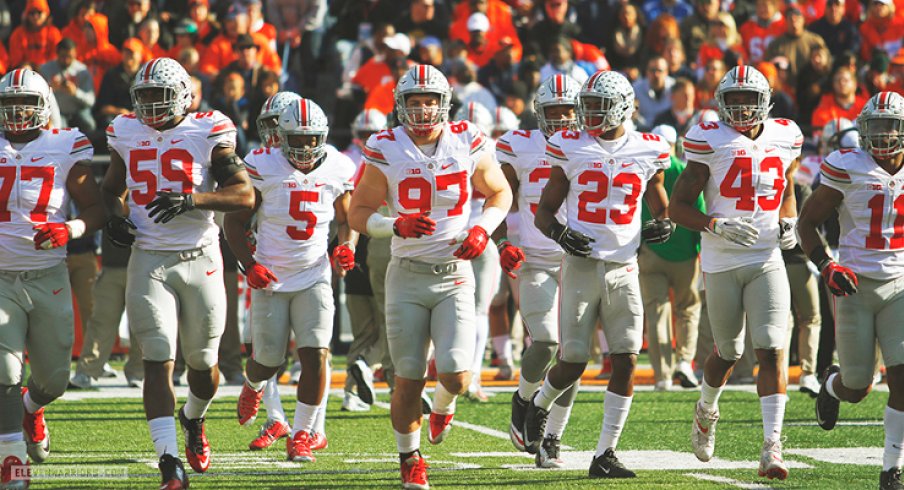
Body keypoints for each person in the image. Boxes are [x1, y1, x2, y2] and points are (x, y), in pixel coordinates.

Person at [348, 64, 512, 489]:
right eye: (414, 102)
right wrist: (393, 225)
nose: (422, 110)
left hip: (455, 270)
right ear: (400, 106)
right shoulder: (386, 146)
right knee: (407, 376)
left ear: (445, 104)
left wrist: (483, 229)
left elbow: (500, 192)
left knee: (457, 374)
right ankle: (410, 457)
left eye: (429, 101)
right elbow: (359, 212)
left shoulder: (467, 139)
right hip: (407, 274)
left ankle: (443, 406)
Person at [101, 57, 254, 489]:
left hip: (200, 257)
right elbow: (111, 189)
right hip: (149, 258)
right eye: (143, 96)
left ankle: (193, 418)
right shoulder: (126, 131)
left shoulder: (208, 129)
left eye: (159, 95)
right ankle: (169, 463)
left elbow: (244, 195)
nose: (150, 105)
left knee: (204, 366)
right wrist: (115, 217)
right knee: (157, 360)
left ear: (184, 95)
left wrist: (193, 200)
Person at [526, 70, 673, 479]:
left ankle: (605, 452)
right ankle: (540, 406)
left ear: (624, 107)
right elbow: (543, 213)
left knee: (625, 358)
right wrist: (560, 234)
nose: (588, 115)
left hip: (624, 267)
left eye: (598, 107)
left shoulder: (649, 149)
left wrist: (663, 223)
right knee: (573, 358)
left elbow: (661, 205)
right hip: (582, 266)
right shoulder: (569, 146)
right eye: (585, 106)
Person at [670, 65, 802, 481]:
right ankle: (707, 408)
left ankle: (772, 445)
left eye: (750, 99)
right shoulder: (708, 139)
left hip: (766, 257)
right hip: (722, 258)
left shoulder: (785, 136)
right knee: (728, 351)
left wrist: (789, 221)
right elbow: (677, 208)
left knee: (771, 347)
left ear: (765, 102)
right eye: (735, 99)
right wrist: (713, 223)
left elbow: (787, 188)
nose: (742, 107)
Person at [228, 97, 357, 463]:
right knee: (267, 360)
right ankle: (253, 385)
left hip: (314, 274)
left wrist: (346, 247)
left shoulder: (337, 166)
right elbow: (234, 223)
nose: (304, 147)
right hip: (270, 276)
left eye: (311, 139)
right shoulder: (261, 164)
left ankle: (301, 433)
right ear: (280, 138)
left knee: (316, 353)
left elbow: (347, 220)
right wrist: (249, 264)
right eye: (296, 139)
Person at [0, 68, 105, 486]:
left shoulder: (66, 145)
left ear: (44, 106)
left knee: (55, 379)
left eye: (26, 103)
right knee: (4, 371)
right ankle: (10, 457)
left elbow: (96, 208)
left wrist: (71, 228)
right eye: (10, 104)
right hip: (1, 277)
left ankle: (33, 406)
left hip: (48, 275)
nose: (18, 112)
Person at [798, 91, 904, 490]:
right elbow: (806, 224)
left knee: (902, 375)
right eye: (876, 127)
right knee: (857, 388)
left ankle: (891, 468)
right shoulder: (847, 166)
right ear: (862, 130)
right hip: (855, 283)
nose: (883, 135)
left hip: (900, 282)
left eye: (891, 126)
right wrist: (827, 265)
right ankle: (831, 384)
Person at [496, 73, 581, 468]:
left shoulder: (592, 146)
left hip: (582, 261)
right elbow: (496, 197)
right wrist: (501, 243)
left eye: (569, 110)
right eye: (554, 111)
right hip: (536, 260)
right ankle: (525, 398)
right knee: (546, 343)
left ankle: (552, 438)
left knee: (574, 354)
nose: (562, 118)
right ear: (539, 113)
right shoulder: (520, 146)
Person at [638, 124, 703, 391]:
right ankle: (685, 361)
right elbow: (699, 208)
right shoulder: (685, 170)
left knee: (656, 311)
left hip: (652, 251)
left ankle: (662, 375)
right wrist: (701, 249)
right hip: (685, 252)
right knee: (687, 310)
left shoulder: (643, 169)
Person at [453, 100, 500, 403]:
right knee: (473, 310)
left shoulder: (448, 145)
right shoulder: (489, 149)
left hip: (464, 236)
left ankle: (469, 374)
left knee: (473, 309)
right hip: (471, 236)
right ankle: (468, 375)